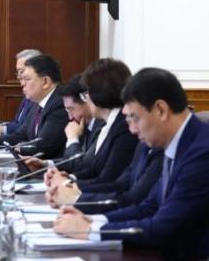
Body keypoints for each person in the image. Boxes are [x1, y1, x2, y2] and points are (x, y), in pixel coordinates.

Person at [54, 68, 209, 261]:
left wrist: (91, 231)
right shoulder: (176, 142)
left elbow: (162, 227)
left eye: (135, 118)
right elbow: (148, 207)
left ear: (160, 110)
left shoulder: (201, 152)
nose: (132, 129)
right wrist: (92, 221)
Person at [31, 59, 138, 189]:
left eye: (87, 93)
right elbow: (93, 168)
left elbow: (108, 179)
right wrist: (69, 179)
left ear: (99, 92)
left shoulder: (123, 127)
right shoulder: (109, 124)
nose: (86, 99)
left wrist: (67, 186)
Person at [0, 54, 68, 161]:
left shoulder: (60, 103)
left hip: (52, 168)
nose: (22, 83)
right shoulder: (37, 103)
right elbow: (19, 136)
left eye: (27, 79)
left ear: (45, 81)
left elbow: (43, 146)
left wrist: (18, 148)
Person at [0, 49, 42, 134]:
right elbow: (18, 123)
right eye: (18, 72)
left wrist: (2, 128)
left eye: (21, 72)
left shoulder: (38, 96)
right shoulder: (28, 92)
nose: (19, 77)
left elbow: (28, 129)